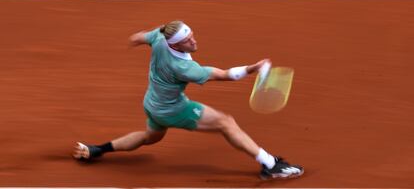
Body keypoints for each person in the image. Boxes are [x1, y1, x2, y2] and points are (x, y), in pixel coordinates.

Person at [72, 20, 304, 179]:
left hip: (152, 104)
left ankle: (97, 149)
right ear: (175, 44)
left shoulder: (160, 37)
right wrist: (254, 67)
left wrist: (135, 39)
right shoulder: (184, 68)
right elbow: (224, 75)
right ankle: (270, 165)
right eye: (188, 40)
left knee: (148, 138)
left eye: (192, 35)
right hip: (173, 109)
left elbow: (141, 36)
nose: (193, 42)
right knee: (226, 122)